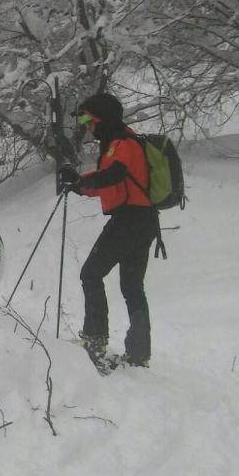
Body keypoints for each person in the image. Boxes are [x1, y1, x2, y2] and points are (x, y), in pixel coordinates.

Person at [57, 92, 158, 367]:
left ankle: (95, 339)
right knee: (132, 286)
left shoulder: (122, 143)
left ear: (103, 119)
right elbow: (112, 182)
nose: (88, 126)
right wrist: (79, 185)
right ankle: (139, 353)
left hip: (130, 221)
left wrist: (80, 182)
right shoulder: (122, 140)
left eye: (90, 119)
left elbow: (113, 175)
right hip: (143, 221)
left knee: (91, 274)